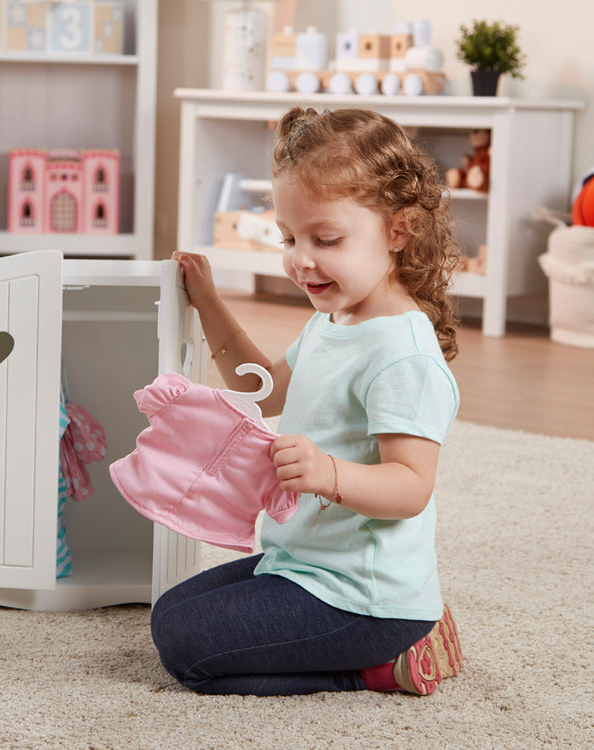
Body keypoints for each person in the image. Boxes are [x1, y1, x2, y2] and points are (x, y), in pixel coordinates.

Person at [151, 106, 463, 697]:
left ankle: (378, 667)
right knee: (170, 613)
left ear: (398, 231)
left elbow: (411, 487)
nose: (301, 259)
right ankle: (378, 647)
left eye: (327, 239)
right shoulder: (335, 319)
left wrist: (327, 473)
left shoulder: (403, 353)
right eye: (289, 238)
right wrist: (208, 302)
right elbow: (260, 387)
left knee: (187, 651)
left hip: (366, 598)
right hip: (307, 565)